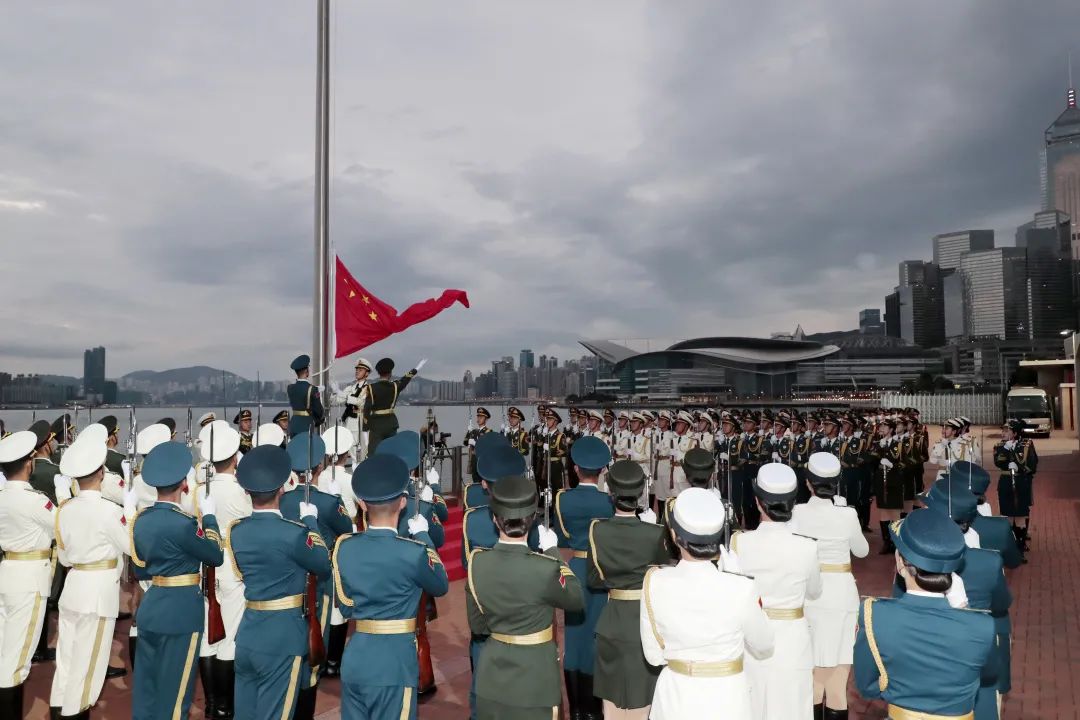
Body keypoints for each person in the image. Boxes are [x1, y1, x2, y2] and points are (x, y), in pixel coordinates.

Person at [640, 487, 774, 720]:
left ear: (674, 535)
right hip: (728, 700)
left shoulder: (655, 581)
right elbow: (764, 645)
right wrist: (740, 581)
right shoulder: (740, 588)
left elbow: (654, 656)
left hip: (676, 699)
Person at [334, 453, 450, 720]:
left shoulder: (345, 548)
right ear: (402, 502)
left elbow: (345, 604)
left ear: (362, 504)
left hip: (355, 659)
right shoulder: (413, 552)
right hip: (394, 663)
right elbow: (441, 584)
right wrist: (423, 535)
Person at [854, 509, 997, 718]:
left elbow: (867, 686)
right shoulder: (982, 625)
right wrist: (963, 610)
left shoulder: (874, 615)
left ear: (900, 562)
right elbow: (990, 674)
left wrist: (904, 695)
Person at [466, 474, 585, 719]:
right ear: (532, 520)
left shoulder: (476, 562)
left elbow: (478, 626)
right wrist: (553, 552)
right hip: (536, 680)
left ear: (494, 519)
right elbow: (575, 599)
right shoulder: (545, 566)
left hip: (492, 677)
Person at [228, 444, 332, 720]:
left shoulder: (237, 531)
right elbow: (323, 564)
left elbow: (240, 571)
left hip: (248, 633)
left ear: (248, 492)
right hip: (282, 637)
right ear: (281, 489)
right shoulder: (294, 533)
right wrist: (311, 522)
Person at [130, 441, 224, 720]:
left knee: (147, 691)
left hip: (152, 608)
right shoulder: (183, 523)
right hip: (180, 612)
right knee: (176, 695)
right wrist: (209, 517)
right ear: (183, 483)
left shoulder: (141, 520)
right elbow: (215, 554)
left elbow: (141, 571)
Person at [51, 432, 137, 718]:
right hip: (98, 594)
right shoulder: (110, 511)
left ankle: (59, 711)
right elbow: (133, 548)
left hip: (73, 589)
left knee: (66, 665)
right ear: (101, 472)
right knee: (87, 671)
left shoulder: (65, 510)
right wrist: (132, 511)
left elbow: (63, 558)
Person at [730, 463, 822, 720]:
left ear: (758, 503)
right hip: (793, 640)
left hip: (750, 640)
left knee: (752, 706)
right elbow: (814, 592)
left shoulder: (739, 542)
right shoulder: (807, 547)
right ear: (793, 502)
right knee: (792, 707)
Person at [916, 477, 1012, 720]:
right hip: (975, 662)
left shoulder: (916, 563)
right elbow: (1001, 605)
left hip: (929, 665)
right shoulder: (989, 562)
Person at [461, 441, 539, 718]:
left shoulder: (471, 520)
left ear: (484, 485)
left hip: (485, 612)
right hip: (522, 615)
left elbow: (465, 565)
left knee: (482, 689)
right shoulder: (531, 521)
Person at [586, 460, 669, 720]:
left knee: (612, 705)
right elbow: (662, 576)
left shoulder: (597, 530)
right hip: (646, 621)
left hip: (612, 620)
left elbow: (594, 580)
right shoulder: (655, 532)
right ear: (641, 493)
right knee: (646, 699)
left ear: (610, 494)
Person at [789, 453, 869, 720]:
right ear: (837, 483)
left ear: (808, 483)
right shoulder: (847, 514)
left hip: (809, 596)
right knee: (838, 682)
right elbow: (862, 550)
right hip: (842, 594)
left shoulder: (797, 512)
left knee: (811, 680)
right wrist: (846, 514)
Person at [280, 432, 354, 719]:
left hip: (289, 581)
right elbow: (346, 530)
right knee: (311, 659)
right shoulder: (326, 502)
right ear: (320, 468)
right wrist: (335, 498)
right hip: (319, 584)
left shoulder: (282, 500)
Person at [554, 436, 615, 719]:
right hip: (601, 571)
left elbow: (564, 535)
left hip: (577, 568)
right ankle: (593, 709)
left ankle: (576, 708)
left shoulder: (562, 499)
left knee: (575, 636)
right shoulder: (608, 502)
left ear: (575, 469)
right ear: (602, 470)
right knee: (595, 635)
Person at [0, 430, 58, 717]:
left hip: (6, 573)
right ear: (29, 464)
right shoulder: (35, 501)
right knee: (17, 660)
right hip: (29, 579)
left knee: (3, 650)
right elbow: (61, 528)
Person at [194, 420, 249, 719]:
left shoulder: (200, 489)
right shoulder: (241, 492)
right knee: (228, 636)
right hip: (232, 562)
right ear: (235, 457)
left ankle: (212, 704)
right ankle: (225, 706)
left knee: (207, 633)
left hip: (205, 562)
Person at [993, 419, 1037, 556]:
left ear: (1015, 433)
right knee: (1007, 515)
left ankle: (1020, 546)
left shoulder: (1027, 444)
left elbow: (1032, 464)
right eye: (1003, 430)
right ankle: (1009, 545)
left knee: (1020, 516)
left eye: (1007, 430)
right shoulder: (1000, 446)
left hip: (1020, 482)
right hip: (1006, 481)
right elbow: (998, 462)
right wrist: (1006, 449)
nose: (1003, 433)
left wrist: (1020, 467)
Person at [362, 358, 422, 455]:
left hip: (376, 425)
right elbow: (405, 379)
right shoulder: (395, 386)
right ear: (390, 373)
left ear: (378, 373)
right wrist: (415, 369)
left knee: (374, 453)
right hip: (391, 424)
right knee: (392, 452)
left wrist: (365, 429)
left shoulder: (371, 388)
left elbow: (366, 409)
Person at [869, 418, 904, 554]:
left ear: (891, 429)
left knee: (894, 512)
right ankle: (886, 542)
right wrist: (880, 448)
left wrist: (892, 465)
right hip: (880, 481)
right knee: (883, 512)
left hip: (894, 481)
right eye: (881, 426)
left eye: (885, 426)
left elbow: (904, 463)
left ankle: (896, 542)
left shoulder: (899, 444)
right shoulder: (878, 443)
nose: (881, 428)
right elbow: (872, 460)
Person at [336, 357, 372, 460]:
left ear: (367, 373)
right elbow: (339, 400)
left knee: (361, 452)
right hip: (350, 422)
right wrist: (335, 392)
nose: (357, 371)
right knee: (351, 450)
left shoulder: (368, 388)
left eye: (360, 370)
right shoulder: (351, 388)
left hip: (360, 421)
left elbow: (361, 402)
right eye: (356, 369)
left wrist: (345, 396)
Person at [287, 355, 326, 438]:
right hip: (306, 424)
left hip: (293, 424)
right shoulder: (312, 389)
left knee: (294, 449)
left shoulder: (290, 388)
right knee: (307, 450)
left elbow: (299, 394)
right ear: (306, 371)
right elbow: (319, 411)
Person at [464, 407, 495, 483]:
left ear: (486, 419)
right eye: (478, 416)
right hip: (474, 460)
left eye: (481, 417)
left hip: (483, 461)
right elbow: (465, 442)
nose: (479, 419)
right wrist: (468, 431)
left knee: (483, 481)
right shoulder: (474, 431)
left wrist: (476, 444)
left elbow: (488, 446)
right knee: (475, 480)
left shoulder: (488, 432)